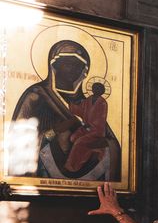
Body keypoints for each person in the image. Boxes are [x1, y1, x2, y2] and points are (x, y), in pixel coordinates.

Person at [11, 40, 121, 180]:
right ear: (54, 66)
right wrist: (54, 131)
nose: (73, 69)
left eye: (78, 65)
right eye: (68, 64)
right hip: (43, 173)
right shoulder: (37, 95)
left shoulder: (90, 103)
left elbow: (111, 143)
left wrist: (104, 143)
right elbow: (19, 142)